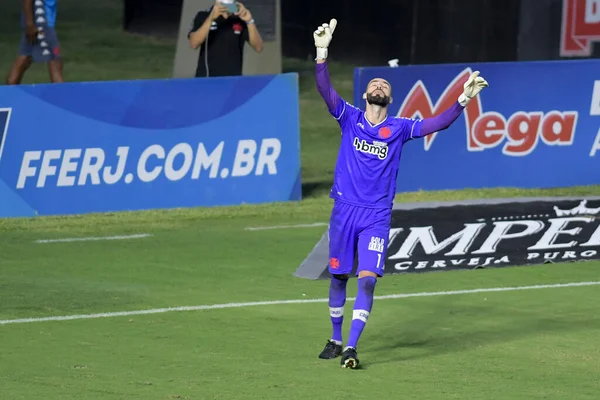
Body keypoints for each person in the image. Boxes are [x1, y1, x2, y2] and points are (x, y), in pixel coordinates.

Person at [314, 19, 489, 369]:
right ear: (366, 95)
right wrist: (321, 53)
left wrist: (464, 99)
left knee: (366, 283)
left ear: (389, 99)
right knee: (337, 277)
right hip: (344, 210)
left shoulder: (400, 128)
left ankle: (351, 347)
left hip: (375, 216)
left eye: (384, 85)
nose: (378, 86)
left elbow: (437, 123)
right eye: (374, 84)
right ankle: (335, 337)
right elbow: (325, 89)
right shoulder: (349, 117)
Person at [188, 1, 263, 78]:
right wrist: (211, 18)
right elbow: (193, 43)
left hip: (232, 79)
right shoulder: (203, 15)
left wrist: (249, 20)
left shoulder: (240, 18)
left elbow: (258, 47)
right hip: (206, 77)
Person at [6, 0, 64, 85]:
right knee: (55, 60)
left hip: (39, 22)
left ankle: (8, 93)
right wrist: (29, 24)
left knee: (25, 58)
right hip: (43, 23)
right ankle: (62, 95)